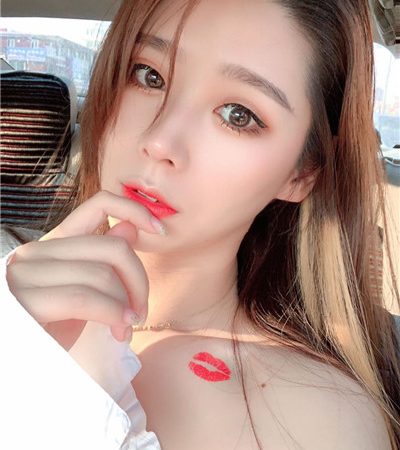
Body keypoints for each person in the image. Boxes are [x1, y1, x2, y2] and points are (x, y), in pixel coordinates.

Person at [1, 0, 400, 448]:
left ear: (301, 173)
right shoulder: (12, 293)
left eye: (238, 115)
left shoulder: (318, 419)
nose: (159, 141)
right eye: (149, 76)